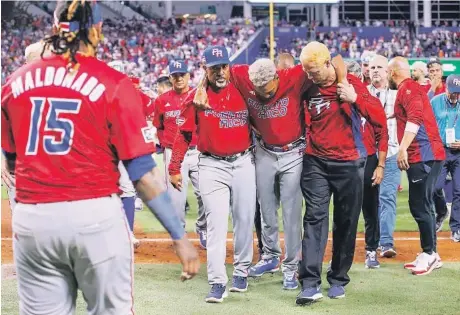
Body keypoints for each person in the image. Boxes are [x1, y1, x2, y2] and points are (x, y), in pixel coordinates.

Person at [1, 2, 199, 314]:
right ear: (97, 30)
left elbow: (11, 161)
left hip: (34, 220)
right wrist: (178, 235)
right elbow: (143, 174)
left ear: (55, 30)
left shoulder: (15, 83)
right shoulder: (113, 82)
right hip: (92, 216)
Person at [296, 42, 388, 304]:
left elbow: (379, 119)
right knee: (314, 218)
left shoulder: (351, 85)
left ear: (327, 64)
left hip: (349, 162)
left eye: (314, 71)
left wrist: (355, 99)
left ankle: (337, 278)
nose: (311, 77)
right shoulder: (306, 84)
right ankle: (310, 282)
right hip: (315, 162)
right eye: (307, 72)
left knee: (346, 223)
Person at [169, 46, 256, 303]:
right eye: (214, 67)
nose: (221, 72)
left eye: (224, 66)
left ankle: (241, 271)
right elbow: (184, 134)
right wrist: (174, 167)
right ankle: (218, 281)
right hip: (211, 164)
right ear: (205, 69)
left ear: (230, 66)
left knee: (244, 219)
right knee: (216, 225)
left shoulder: (242, 86)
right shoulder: (196, 98)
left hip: (243, 162)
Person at [388, 56, 445, 276]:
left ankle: (429, 254)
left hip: (423, 154)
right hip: (429, 153)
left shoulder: (407, 88)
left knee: (419, 205)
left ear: (393, 73)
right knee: (423, 204)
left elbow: (416, 117)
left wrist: (402, 148)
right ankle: (431, 253)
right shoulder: (411, 88)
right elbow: (413, 113)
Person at [152, 60, 206, 248]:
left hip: (198, 151)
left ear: (188, 76)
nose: (179, 78)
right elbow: (158, 126)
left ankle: (203, 227)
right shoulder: (162, 100)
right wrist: (167, 145)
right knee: (176, 199)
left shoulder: (197, 96)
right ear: (170, 78)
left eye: (182, 74)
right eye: (175, 75)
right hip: (173, 153)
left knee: (206, 194)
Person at [347, 57, 387, 269]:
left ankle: (371, 250)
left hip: (369, 158)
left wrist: (380, 165)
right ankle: (346, 250)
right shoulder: (339, 100)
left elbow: (383, 133)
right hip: (347, 159)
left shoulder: (371, 100)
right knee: (347, 209)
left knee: (370, 208)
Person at [367, 55, 400, 259]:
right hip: (368, 154)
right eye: (372, 68)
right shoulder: (362, 95)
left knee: (387, 197)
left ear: (388, 72)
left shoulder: (397, 96)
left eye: (380, 67)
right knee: (369, 202)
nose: (376, 71)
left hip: (391, 153)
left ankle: (385, 242)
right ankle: (371, 241)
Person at [430, 74, 460, 242]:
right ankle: (442, 212)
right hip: (440, 150)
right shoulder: (435, 102)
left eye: (458, 92)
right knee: (435, 187)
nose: (455, 95)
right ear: (446, 88)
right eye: (453, 92)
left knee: (459, 190)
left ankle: (456, 228)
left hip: (459, 153)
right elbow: (427, 125)